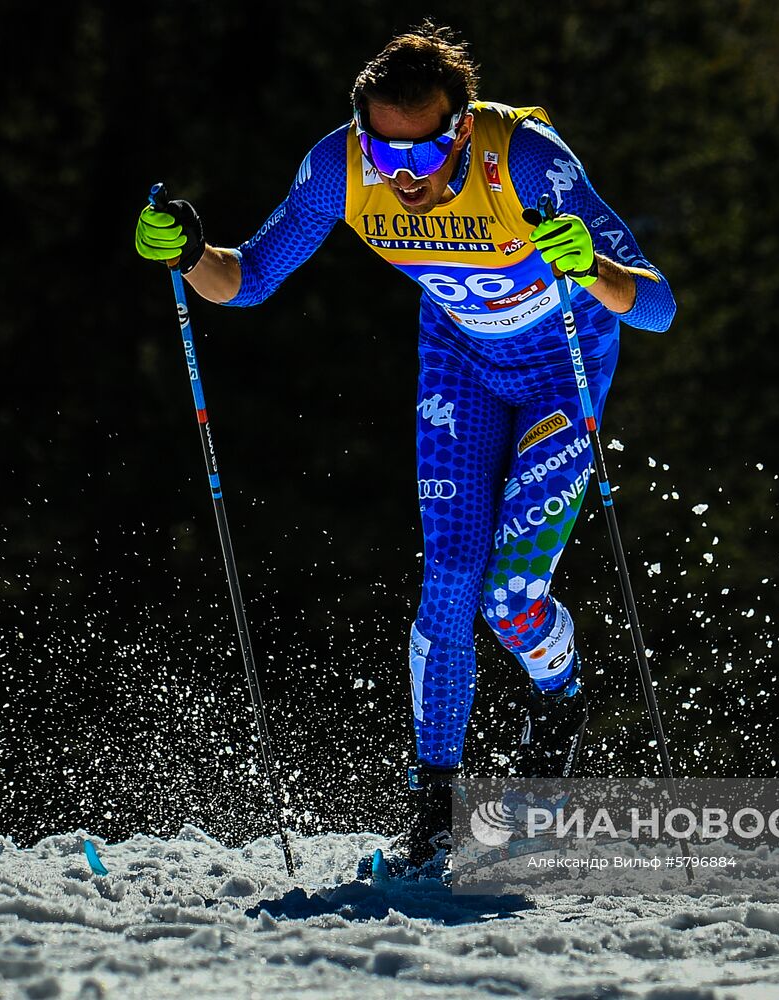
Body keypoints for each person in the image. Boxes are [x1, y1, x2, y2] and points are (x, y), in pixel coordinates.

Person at [134, 22, 675, 868]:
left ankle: (560, 700)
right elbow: (244, 281)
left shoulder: (522, 157)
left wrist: (593, 267)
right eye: (389, 160)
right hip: (459, 364)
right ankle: (433, 809)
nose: (406, 179)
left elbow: (658, 306)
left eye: (424, 159)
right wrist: (188, 252)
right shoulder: (342, 165)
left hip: (558, 375)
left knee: (512, 600)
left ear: (460, 127)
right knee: (451, 582)